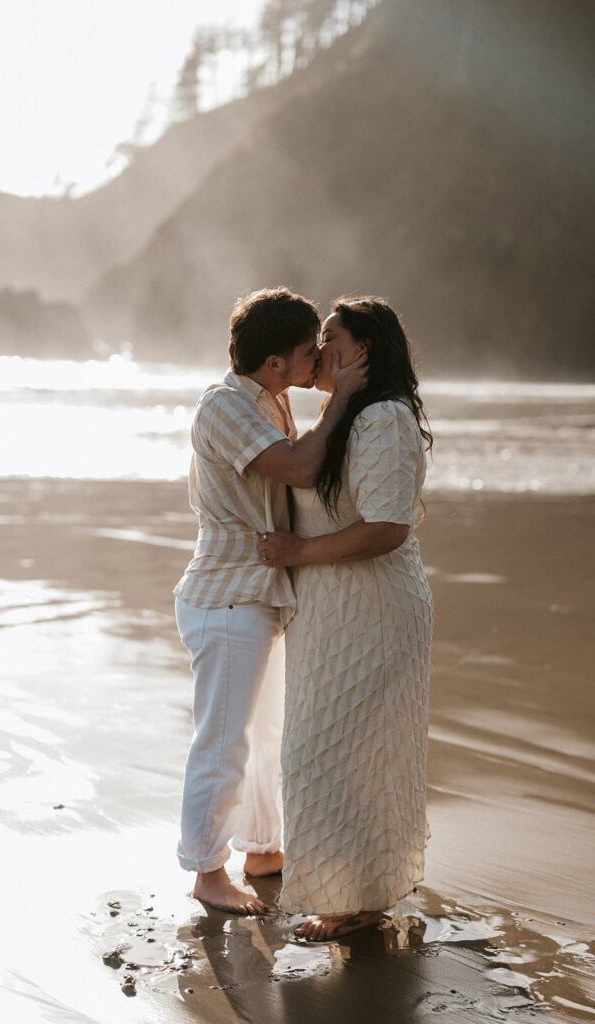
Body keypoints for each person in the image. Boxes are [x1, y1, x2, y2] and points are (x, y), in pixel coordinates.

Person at [174, 287, 368, 914]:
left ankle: (262, 848)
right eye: (309, 352)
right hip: (227, 593)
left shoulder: (270, 402)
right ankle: (207, 870)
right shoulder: (226, 406)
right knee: (225, 739)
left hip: (258, 592)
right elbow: (300, 469)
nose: (319, 360)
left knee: (265, 736)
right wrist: (340, 402)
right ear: (276, 364)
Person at [257, 296, 434, 940]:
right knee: (339, 754)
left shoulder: (384, 418)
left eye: (330, 336)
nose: (317, 344)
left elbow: (387, 527)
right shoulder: (346, 415)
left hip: (376, 609)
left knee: (319, 754)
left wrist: (301, 551)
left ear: (361, 351)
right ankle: (362, 897)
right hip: (330, 611)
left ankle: (351, 898)